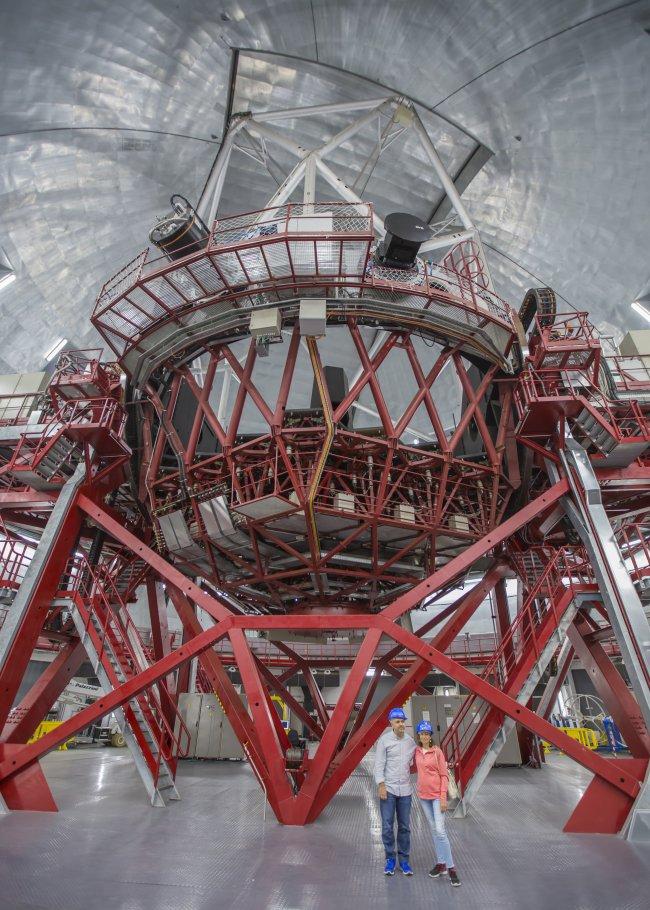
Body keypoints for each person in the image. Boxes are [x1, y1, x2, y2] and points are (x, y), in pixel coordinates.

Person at [414, 720, 461, 887]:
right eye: (422, 733)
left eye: (427, 733)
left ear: (430, 736)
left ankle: (451, 868)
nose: (425, 736)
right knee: (434, 830)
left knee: (441, 832)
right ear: (418, 735)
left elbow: (444, 775)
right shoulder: (417, 752)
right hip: (423, 797)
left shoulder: (437, 752)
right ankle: (440, 864)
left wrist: (442, 798)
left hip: (436, 797)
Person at [373, 707, 416, 875]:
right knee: (387, 826)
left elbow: (417, 759)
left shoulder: (410, 742)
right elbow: (379, 764)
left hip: (405, 791)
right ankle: (390, 859)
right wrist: (381, 785)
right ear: (391, 723)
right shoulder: (384, 741)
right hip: (389, 789)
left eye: (403, 721)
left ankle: (404, 861)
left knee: (404, 827)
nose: (401, 724)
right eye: (398, 722)